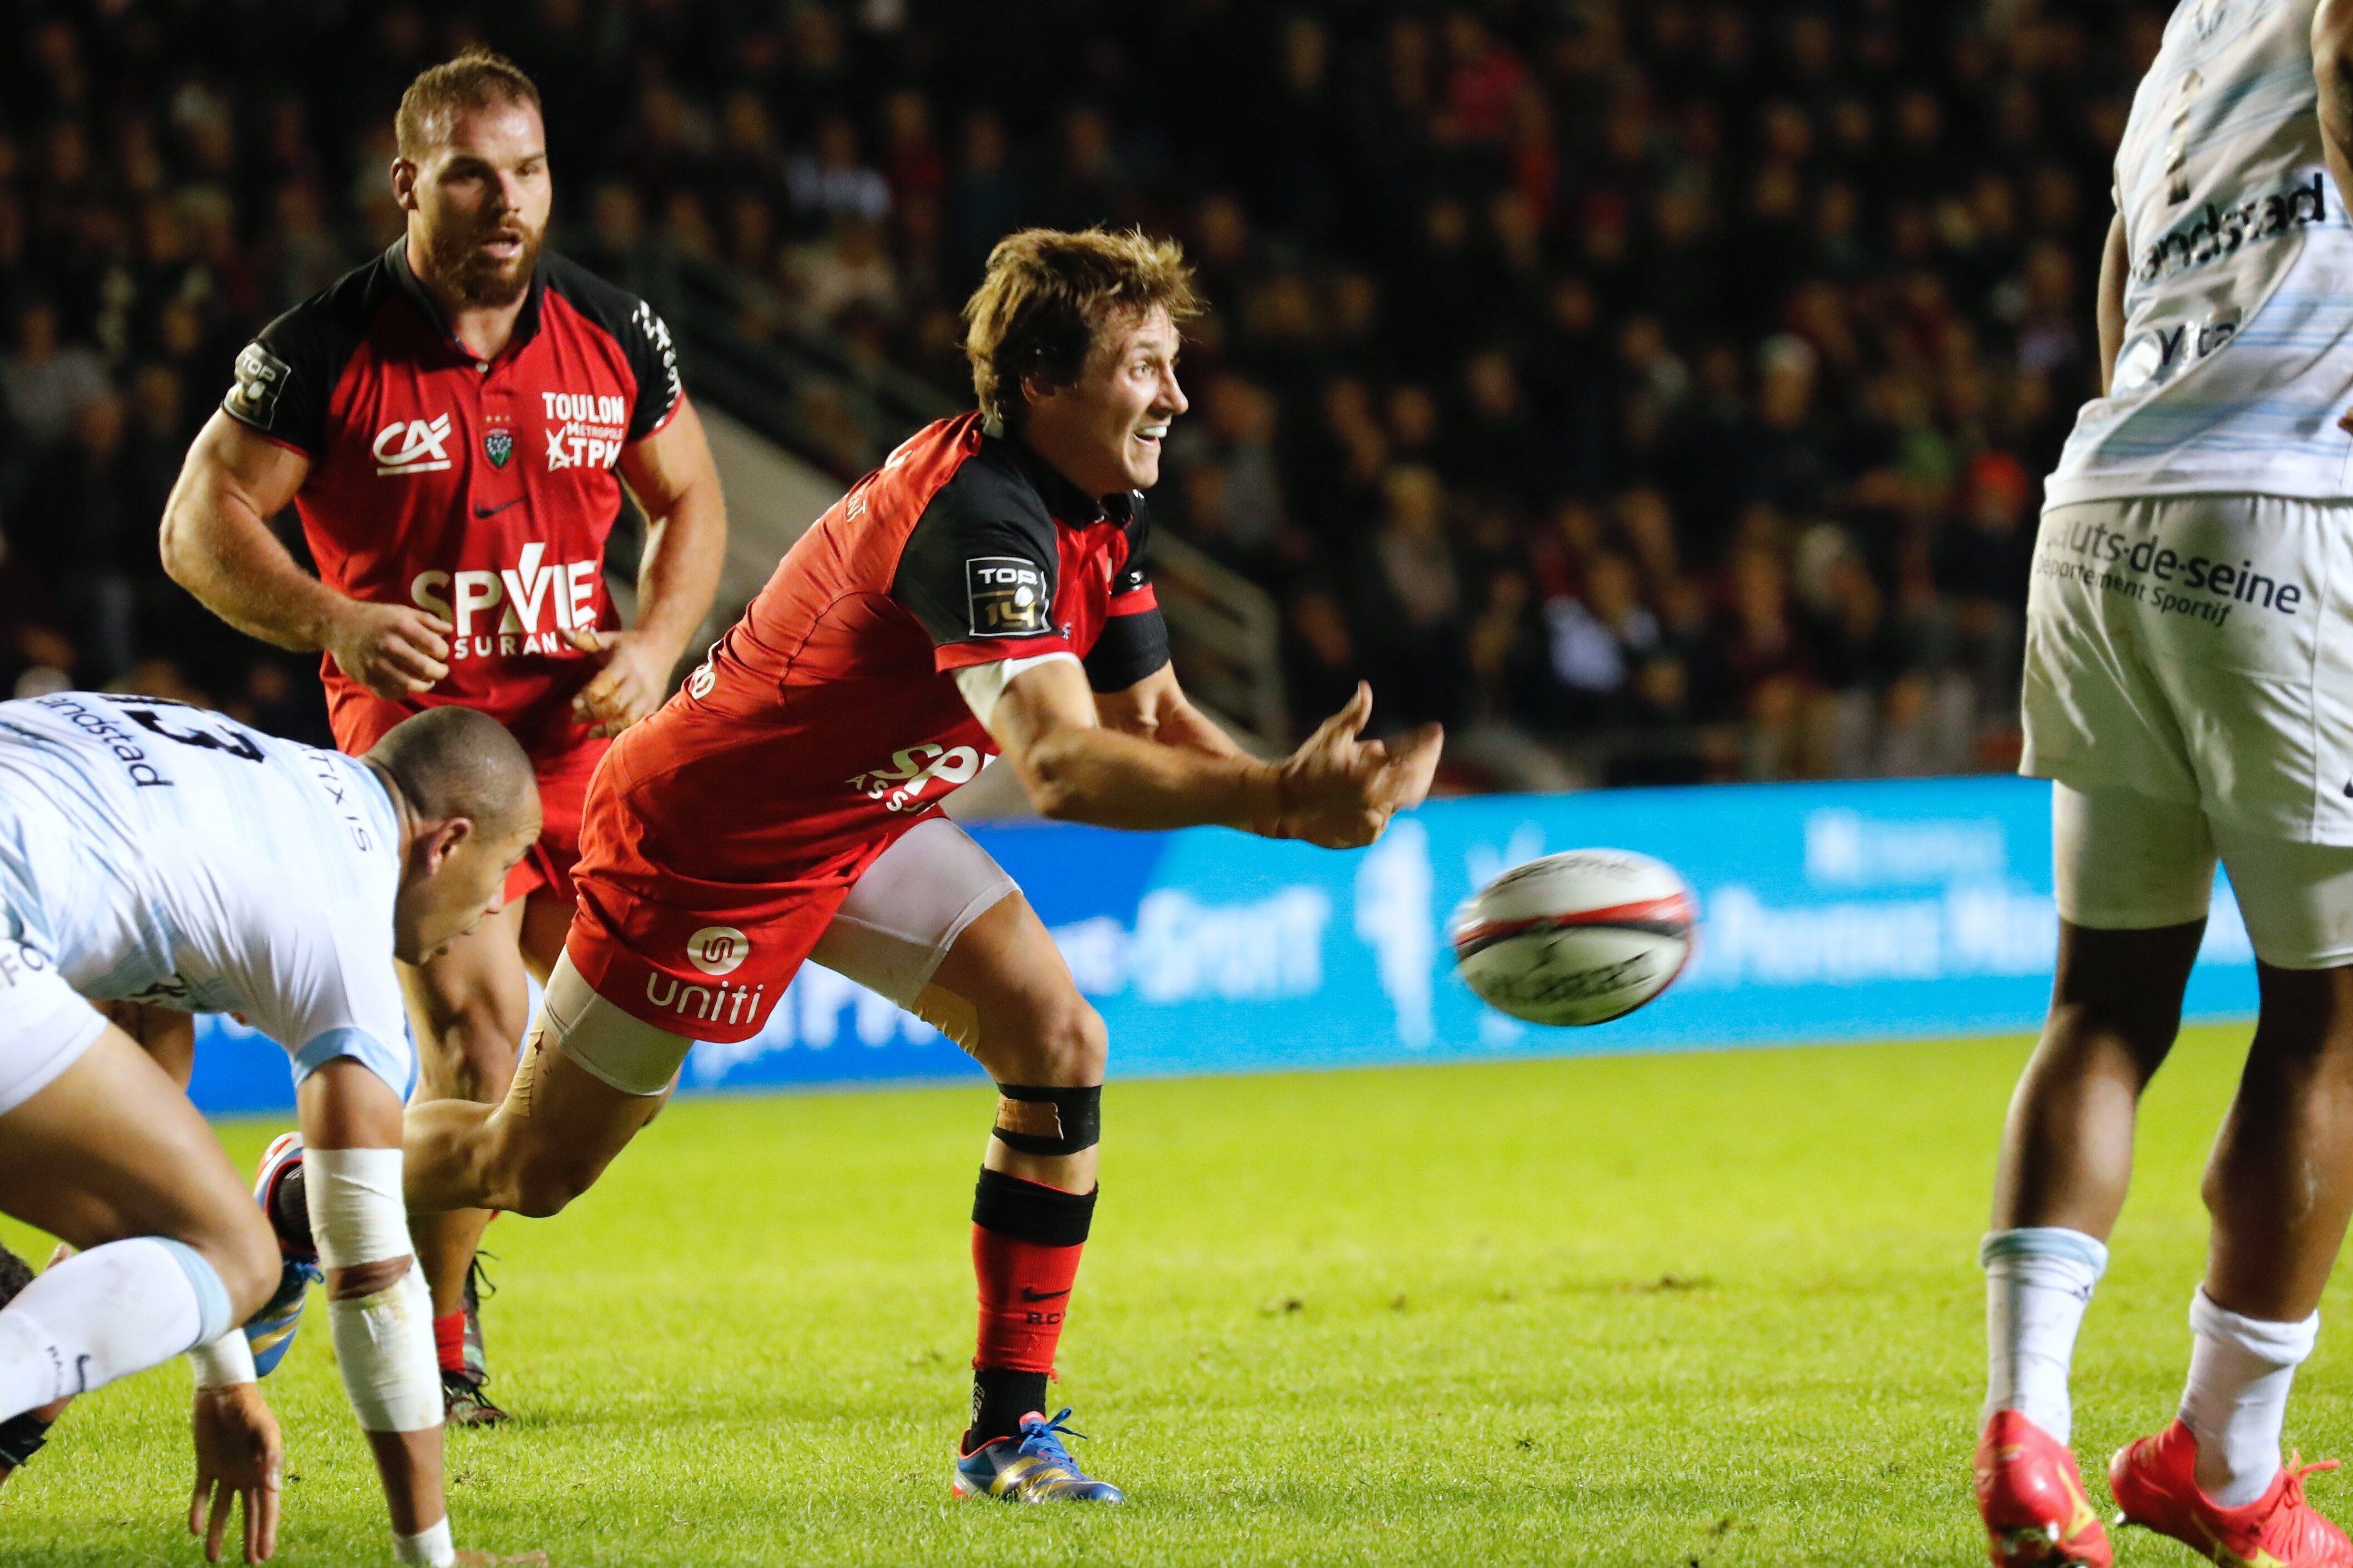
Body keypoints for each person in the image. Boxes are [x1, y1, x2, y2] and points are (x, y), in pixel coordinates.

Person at [273, 226, 1441, 1502]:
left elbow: (1152, 723)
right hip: (706, 845)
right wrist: (1277, 803)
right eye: (1144, 364)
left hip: (862, 819)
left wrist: (1299, 789)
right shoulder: (978, 517)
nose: (1175, 393)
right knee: (528, 1171)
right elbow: (1058, 765)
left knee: (1057, 1044)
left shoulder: (1102, 503)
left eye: (1172, 362)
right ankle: (300, 1196)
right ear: (1044, 381)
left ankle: (1006, 1431)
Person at [159, 48, 727, 1425]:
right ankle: (447, 1342)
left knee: (591, 1091)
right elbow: (196, 526)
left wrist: (654, 646)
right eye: (473, 173)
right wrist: (333, 620)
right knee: (481, 1045)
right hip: (426, 761)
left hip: (583, 745)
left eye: (527, 171)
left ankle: (310, 1188)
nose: (505, 201)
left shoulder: (614, 333)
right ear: (409, 181)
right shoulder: (323, 347)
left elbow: (693, 498)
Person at [1975, 3, 2353, 1564]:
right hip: (2285, 502)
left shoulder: (2188, 35)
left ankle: (2029, 1427)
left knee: (2105, 1005)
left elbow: (2122, 276)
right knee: (2332, 1017)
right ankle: (2223, 1454)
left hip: (2107, 503)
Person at [0, 694, 542, 1566]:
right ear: (447, 843)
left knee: (87, 1271)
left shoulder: (241, 778)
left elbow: (146, 1182)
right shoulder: (343, 922)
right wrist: (431, 1558)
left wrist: (224, 1376)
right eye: (509, 866)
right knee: (245, 1258)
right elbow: (369, 1273)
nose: (494, 911)